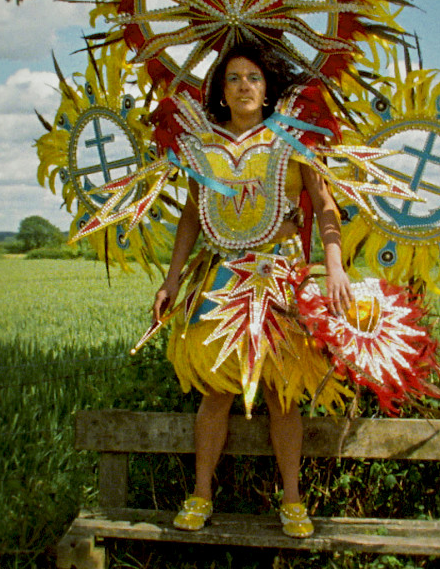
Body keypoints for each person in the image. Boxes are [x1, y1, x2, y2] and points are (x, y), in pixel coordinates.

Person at [151, 42, 353, 538]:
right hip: (220, 280)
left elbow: (324, 203)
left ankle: (292, 499)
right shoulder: (204, 146)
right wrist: (172, 277)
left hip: (281, 278)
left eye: (254, 78)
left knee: (283, 396)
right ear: (221, 90)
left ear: (267, 90)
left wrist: (334, 265)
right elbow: (191, 217)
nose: (245, 85)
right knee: (216, 394)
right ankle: (200, 494)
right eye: (234, 78)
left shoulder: (294, 140)